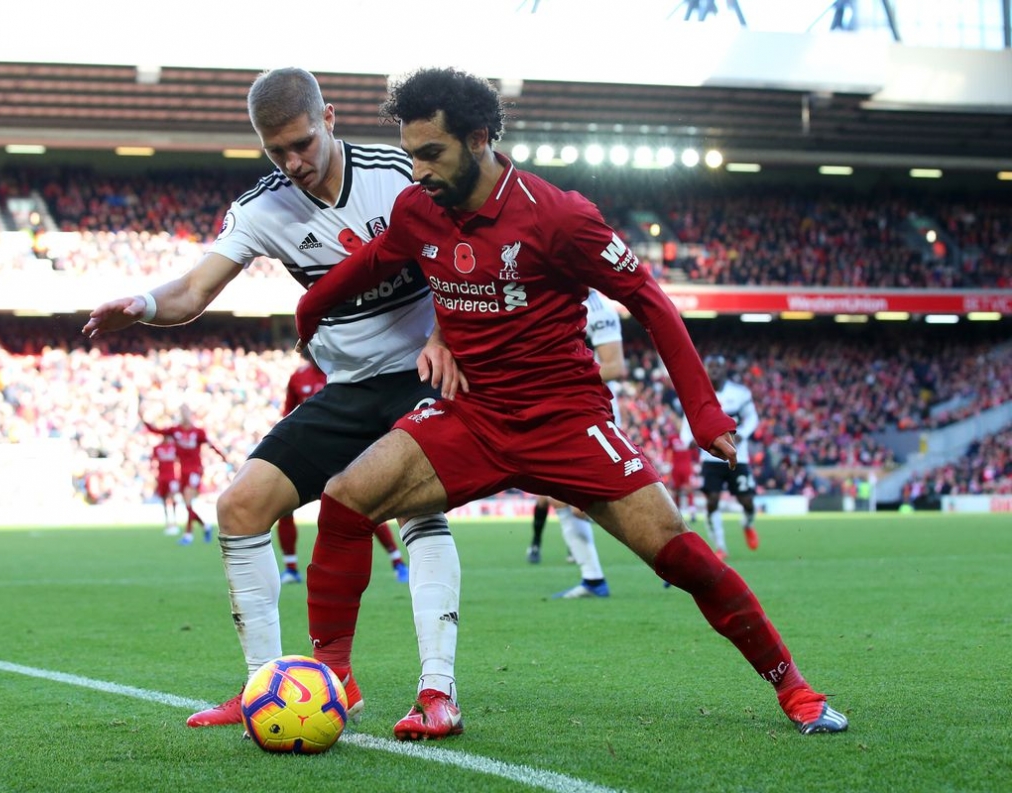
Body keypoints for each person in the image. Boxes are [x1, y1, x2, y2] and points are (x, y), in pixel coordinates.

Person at [294, 67, 847, 737]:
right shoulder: (419, 209)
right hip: (471, 415)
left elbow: (648, 299)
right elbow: (380, 258)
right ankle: (332, 682)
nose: (417, 171)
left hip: (566, 422)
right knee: (347, 497)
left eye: (431, 154)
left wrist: (704, 412)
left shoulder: (558, 215)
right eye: (409, 154)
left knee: (677, 551)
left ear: (479, 139)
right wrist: (313, 304)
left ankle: (795, 687)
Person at [82, 67, 464, 740]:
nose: (293, 162)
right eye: (275, 150)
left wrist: (443, 334)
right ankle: (264, 687)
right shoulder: (263, 208)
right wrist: (140, 304)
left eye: (301, 142)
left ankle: (437, 690)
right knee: (239, 506)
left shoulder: (396, 175)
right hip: (347, 390)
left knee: (416, 506)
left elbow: (470, 255)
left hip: (420, 376)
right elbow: (194, 291)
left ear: (330, 118)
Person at [277, 349, 409, 585]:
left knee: (364, 507)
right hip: (307, 453)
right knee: (282, 508)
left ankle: (397, 562)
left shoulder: (342, 372)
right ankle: (290, 568)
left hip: (343, 452)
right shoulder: (297, 378)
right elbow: (287, 416)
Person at [534, 288, 628, 598]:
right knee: (557, 498)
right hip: (561, 411)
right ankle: (593, 580)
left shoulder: (599, 307)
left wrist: (558, 384)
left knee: (582, 507)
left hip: (591, 412)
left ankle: (670, 546)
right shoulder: (548, 292)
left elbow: (615, 367)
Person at [679, 355, 760, 557]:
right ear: (705, 370)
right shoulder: (697, 395)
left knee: (747, 501)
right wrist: (686, 439)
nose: (714, 371)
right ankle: (721, 547)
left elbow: (752, 418)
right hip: (711, 457)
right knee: (712, 500)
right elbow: (687, 421)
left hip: (738, 457)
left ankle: (747, 524)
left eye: (718, 367)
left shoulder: (740, 393)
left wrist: (742, 435)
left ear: (725, 370)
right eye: (710, 367)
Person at [142, 404, 227, 545]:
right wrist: (143, 418)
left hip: (195, 470)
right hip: (182, 471)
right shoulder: (175, 431)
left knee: (187, 499)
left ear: (191, 414)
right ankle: (205, 525)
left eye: (186, 412)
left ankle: (188, 535)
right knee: (187, 504)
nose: (184, 415)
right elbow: (155, 430)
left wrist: (223, 456)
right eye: (182, 412)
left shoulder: (198, 432)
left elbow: (211, 445)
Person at [151, 436, 183, 536]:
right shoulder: (157, 448)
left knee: (172, 498)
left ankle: (174, 521)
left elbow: (179, 460)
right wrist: (154, 475)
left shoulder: (174, 447)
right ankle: (167, 522)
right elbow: (153, 462)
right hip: (162, 477)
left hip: (172, 477)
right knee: (164, 499)